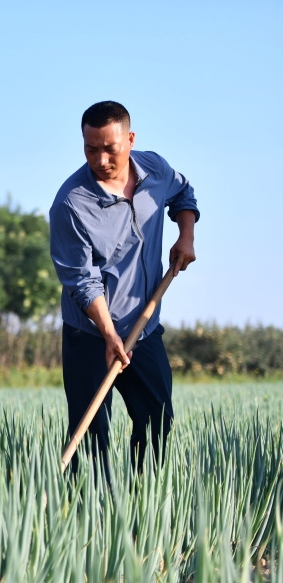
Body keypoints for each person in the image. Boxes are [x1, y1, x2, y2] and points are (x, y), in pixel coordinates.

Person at [49, 101, 198, 486]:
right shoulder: (71, 203)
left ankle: (141, 510)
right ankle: (88, 522)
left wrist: (186, 235)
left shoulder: (155, 169)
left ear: (129, 140)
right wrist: (110, 335)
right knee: (90, 436)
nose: (100, 159)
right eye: (90, 148)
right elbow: (82, 280)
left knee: (157, 422)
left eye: (110, 147)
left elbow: (183, 194)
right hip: (90, 334)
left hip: (144, 330)